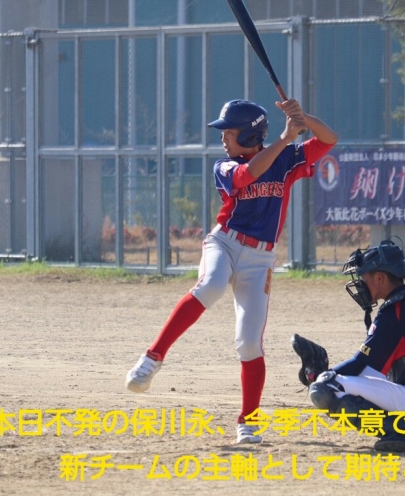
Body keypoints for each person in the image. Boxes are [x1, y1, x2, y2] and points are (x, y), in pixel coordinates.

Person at [126, 98, 338, 444]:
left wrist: (304, 117)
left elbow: (329, 140)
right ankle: (153, 358)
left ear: (250, 134)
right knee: (210, 285)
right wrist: (285, 137)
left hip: (260, 259)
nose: (223, 138)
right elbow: (248, 174)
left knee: (249, 343)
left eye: (230, 132)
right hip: (224, 243)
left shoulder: (287, 159)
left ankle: (248, 422)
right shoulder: (225, 165)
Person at [307, 238, 405, 452]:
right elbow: (372, 371)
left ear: (380, 277)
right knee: (344, 380)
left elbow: (359, 365)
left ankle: (403, 434)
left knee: (325, 389)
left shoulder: (394, 311)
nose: (360, 284)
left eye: (364, 277)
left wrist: (321, 376)